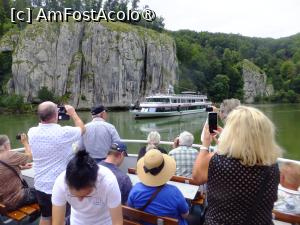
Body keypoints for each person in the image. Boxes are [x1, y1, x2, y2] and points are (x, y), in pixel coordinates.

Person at [193, 106, 282, 225]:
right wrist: (227, 142)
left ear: (231, 132)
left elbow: (197, 177)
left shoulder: (218, 162)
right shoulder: (272, 166)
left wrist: (205, 143)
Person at [28, 101, 85, 225]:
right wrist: (73, 113)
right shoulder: (63, 133)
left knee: (46, 217)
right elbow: (82, 129)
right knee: (62, 219)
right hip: (59, 186)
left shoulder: (31, 132)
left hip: (40, 185)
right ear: (56, 114)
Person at [52, 150, 122, 225]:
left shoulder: (108, 182)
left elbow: (117, 222)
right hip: (77, 221)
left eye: (86, 195)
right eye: (74, 195)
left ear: (95, 182)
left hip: (104, 221)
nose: (80, 200)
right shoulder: (60, 183)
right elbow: (57, 222)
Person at [128, 149, 189, 225]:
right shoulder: (174, 192)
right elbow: (185, 215)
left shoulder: (135, 190)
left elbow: (131, 211)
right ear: (164, 169)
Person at [0, 134, 37, 210]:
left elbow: (3, 171)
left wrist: (20, 168)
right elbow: (30, 156)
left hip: (2, 201)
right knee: (43, 192)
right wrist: (25, 142)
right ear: (6, 145)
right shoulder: (9, 155)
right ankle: (41, 215)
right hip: (14, 200)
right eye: (9, 144)